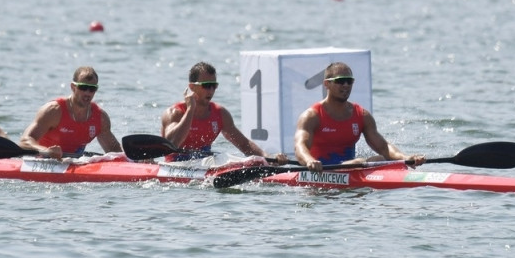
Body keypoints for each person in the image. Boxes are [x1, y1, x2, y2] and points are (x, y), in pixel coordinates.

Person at [295, 61, 425, 172]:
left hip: (354, 168)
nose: (346, 85)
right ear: (326, 84)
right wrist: (310, 161)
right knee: (359, 163)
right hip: (320, 170)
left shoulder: (362, 115)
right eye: (340, 81)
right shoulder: (312, 116)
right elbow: (300, 146)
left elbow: (383, 147)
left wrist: (405, 157)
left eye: (349, 81)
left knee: (380, 159)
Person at [161, 61, 286, 162]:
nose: (210, 91)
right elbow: (171, 144)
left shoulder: (220, 114)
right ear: (192, 87)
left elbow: (243, 144)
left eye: (214, 85)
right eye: (206, 85)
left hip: (205, 164)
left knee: (245, 161)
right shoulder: (174, 113)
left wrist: (268, 157)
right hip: (177, 165)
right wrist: (190, 110)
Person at [19, 66, 122, 160]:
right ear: (73, 87)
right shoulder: (53, 111)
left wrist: (133, 156)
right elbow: (24, 141)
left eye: (92, 88)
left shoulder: (100, 118)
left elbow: (114, 151)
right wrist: (46, 151)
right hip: (43, 160)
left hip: (75, 162)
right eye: (83, 87)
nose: (87, 93)